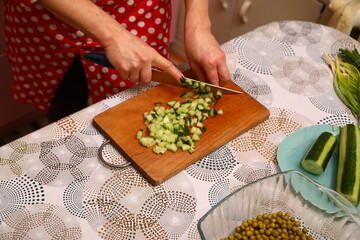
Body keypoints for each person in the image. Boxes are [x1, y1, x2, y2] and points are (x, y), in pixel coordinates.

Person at [4, 0, 230, 122]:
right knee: (64, 102)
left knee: (138, 102)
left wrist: (199, 25)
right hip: (47, 16)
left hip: (136, 7)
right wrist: (115, 37)